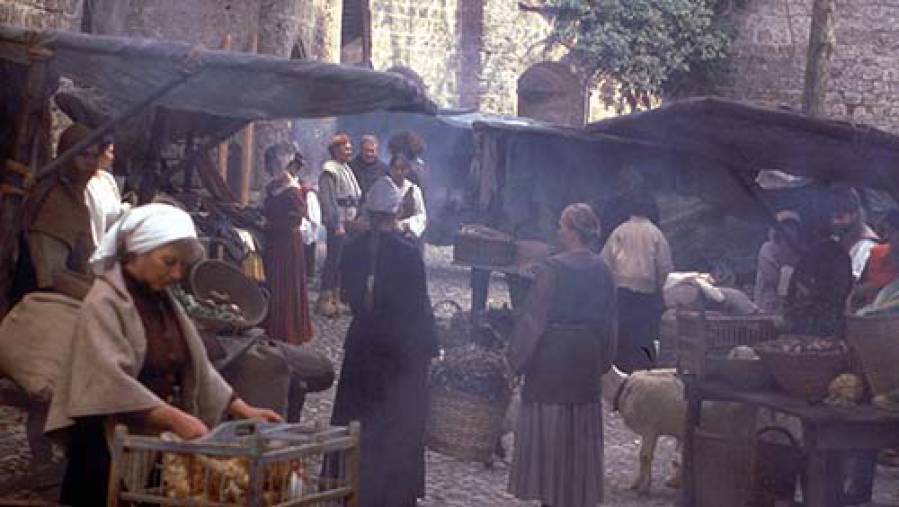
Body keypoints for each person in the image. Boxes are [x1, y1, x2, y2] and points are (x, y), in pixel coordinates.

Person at [45, 204, 281, 507]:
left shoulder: (163, 301)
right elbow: (108, 381)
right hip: (105, 445)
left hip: (153, 441)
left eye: (181, 265)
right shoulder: (104, 303)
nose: (176, 274)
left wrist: (243, 409)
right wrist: (174, 419)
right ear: (137, 254)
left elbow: (196, 365)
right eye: (168, 262)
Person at [329, 178, 438, 507]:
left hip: (363, 345)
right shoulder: (408, 254)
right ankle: (390, 495)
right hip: (399, 353)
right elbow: (418, 306)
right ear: (396, 212)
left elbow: (348, 296)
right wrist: (430, 347)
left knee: (358, 418)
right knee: (396, 423)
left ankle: (353, 487)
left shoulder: (352, 250)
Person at [508, 203, 617, 507]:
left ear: (571, 232)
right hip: (585, 361)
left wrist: (515, 361)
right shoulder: (604, 270)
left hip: (551, 363)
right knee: (576, 436)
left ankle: (551, 497)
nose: (558, 231)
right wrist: (602, 360)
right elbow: (610, 322)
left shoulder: (551, 269)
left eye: (561, 225)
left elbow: (534, 320)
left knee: (551, 432)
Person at [12, 123, 100, 303]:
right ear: (68, 156)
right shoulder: (55, 200)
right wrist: (100, 300)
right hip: (42, 304)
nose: (90, 163)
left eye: (95, 156)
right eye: (84, 155)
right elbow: (51, 275)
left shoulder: (76, 199)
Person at [601, 193, 673, 372]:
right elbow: (664, 268)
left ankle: (621, 373)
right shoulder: (655, 233)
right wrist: (663, 292)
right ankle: (644, 374)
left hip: (621, 294)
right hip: (646, 296)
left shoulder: (619, 231)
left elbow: (605, 263)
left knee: (622, 335)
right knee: (643, 337)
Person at [261, 143, 313, 344]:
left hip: (287, 243)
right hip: (273, 242)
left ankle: (288, 329)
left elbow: (296, 219)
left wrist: (271, 224)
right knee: (273, 282)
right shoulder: (272, 186)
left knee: (286, 284)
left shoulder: (293, 190)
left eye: (273, 164)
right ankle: (270, 325)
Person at [318, 133, 362, 317]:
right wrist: (336, 224)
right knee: (333, 261)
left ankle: (337, 299)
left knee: (343, 261)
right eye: (346, 148)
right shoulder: (329, 170)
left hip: (349, 221)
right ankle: (325, 298)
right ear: (336, 150)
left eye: (350, 148)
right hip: (338, 222)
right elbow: (328, 200)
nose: (349, 151)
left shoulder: (345, 168)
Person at [364, 154, 427, 241]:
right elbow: (368, 208)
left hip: (405, 237)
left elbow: (421, 215)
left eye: (402, 169)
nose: (398, 172)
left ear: (407, 170)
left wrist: (406, 225)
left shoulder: (413, 190)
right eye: (395, 169)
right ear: (390, 169)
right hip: (382, 236)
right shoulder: (380, 187)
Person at [753, 210, 803, 314]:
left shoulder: (799, 252)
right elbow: (771, 277)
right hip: (768, 305)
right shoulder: (768, 248)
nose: (788, 230)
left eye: (792, 226)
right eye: (784, 226)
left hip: (793, 306)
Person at [84, 139, 130, 247]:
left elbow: (116, 209)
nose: (112, 157)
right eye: (110, 152)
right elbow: (95, 219)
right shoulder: (87, 184)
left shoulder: (107, 178)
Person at [829, 184, 879, 281]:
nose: (834, 222)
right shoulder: (837, 239)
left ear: (854, 214)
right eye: (831, 217)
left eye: (839, 217)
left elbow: (852, 282)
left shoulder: (867, 247)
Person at [349, 134, 388, 201]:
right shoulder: (350, 167)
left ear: (377, 151)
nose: (369, 154)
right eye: (366, 150)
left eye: (372, 151)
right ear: (361, 150)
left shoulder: (384, 170)